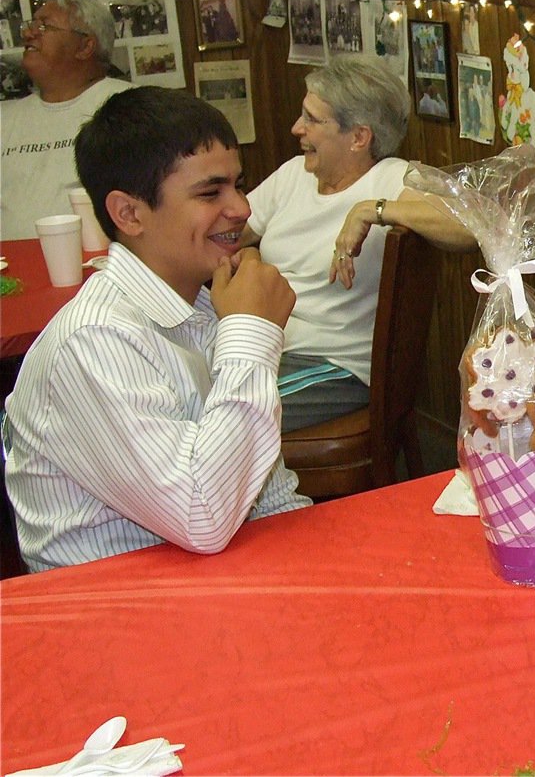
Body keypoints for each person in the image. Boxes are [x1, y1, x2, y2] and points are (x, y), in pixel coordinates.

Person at [3, 87, 311, 573]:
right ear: (129, 214)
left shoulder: (207, 302)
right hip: (114, 610)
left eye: (238, 184)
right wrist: (251, 333)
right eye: (211, 193)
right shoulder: (95, 340)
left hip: (207, 578)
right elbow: (202, 517)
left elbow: (267, 493)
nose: (242, 208)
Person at [239, 55, 473, 433]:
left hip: (334, 366)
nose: (296, 128)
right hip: (267, 345)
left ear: (359, 137)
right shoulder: (293, 175)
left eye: (312, 119)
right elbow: (233, 232)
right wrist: (248, 258)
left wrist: (371, 209)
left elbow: (468, 227)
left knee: (228, 413)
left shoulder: (390, 178)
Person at [0, 0, 130, 240]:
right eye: (31, 24)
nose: (27, 33)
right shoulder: (5, 119)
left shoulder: (130, 106)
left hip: (102, 270)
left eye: (44, 26)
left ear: (85, 46)